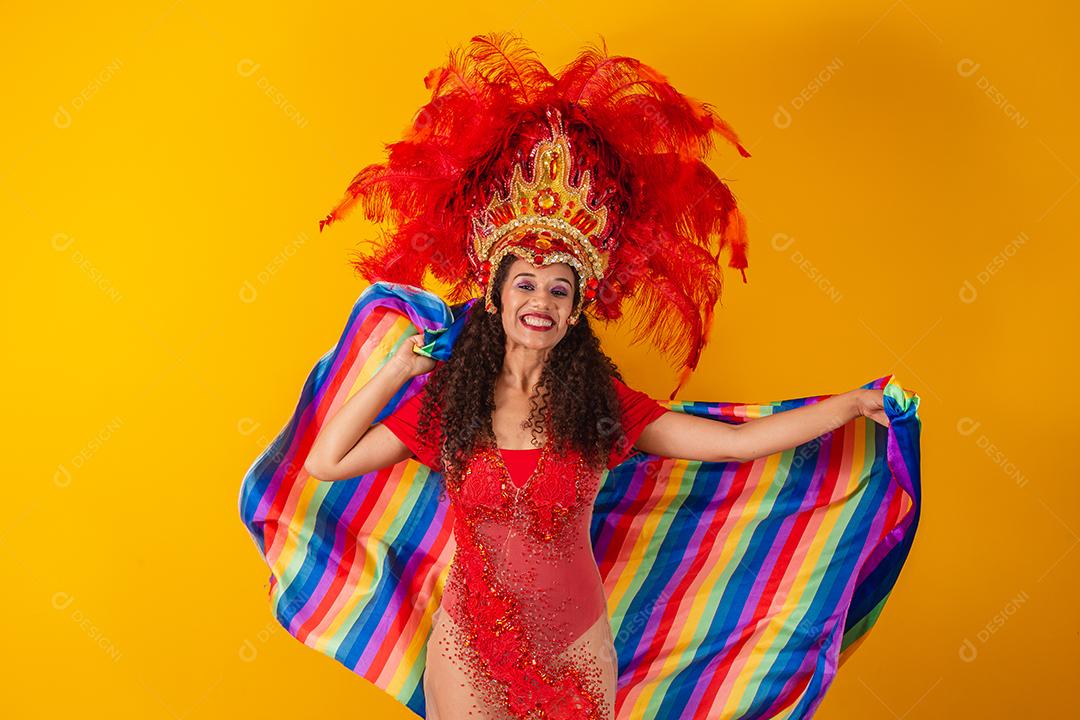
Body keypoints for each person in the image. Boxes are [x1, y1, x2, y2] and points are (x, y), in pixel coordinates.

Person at [239, 33, 918, 720]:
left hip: (577, 652)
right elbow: (327, 462)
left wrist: (848, 406)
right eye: (526, 284)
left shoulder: (601, 409)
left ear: (575, 312)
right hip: (470, 650)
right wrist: (394, 373)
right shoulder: (450, 406)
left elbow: (734, 446)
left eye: (559, 290)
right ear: (497, 297)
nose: (541, 300)